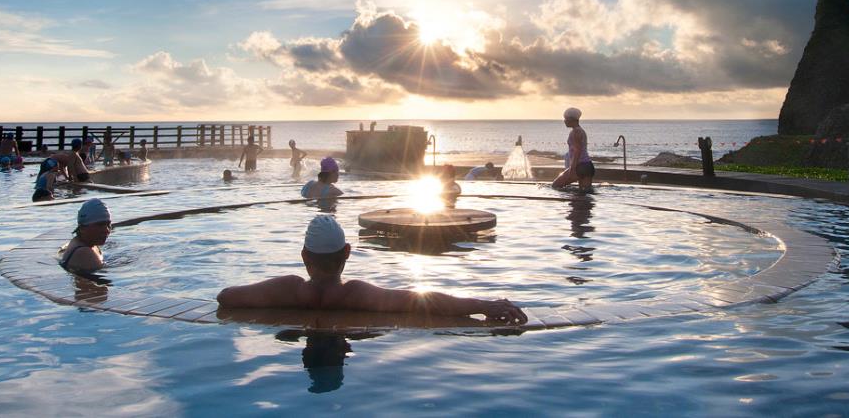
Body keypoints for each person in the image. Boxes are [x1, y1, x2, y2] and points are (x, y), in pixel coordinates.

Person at [217, 215, 527, 324]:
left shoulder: (288, 289)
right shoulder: (356, 294)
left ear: (304, 256)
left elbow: (226, 296)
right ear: (347, 253)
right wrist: (482, 305)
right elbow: (423, 300)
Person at [58, 198, 112, 272]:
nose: (107, 230)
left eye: (108, 224)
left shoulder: (85, 243)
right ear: (83, 227)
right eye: (100, 225)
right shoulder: (84, 252)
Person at [553, 107, 594, 191]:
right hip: (588, 166)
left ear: (572, 119)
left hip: (580, 166)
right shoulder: (581, 130)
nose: (564, 121)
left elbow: (577, 151)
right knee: (584, 193)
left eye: (566, 119)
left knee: (555, 186)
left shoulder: (576, 132)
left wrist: (572, 169)